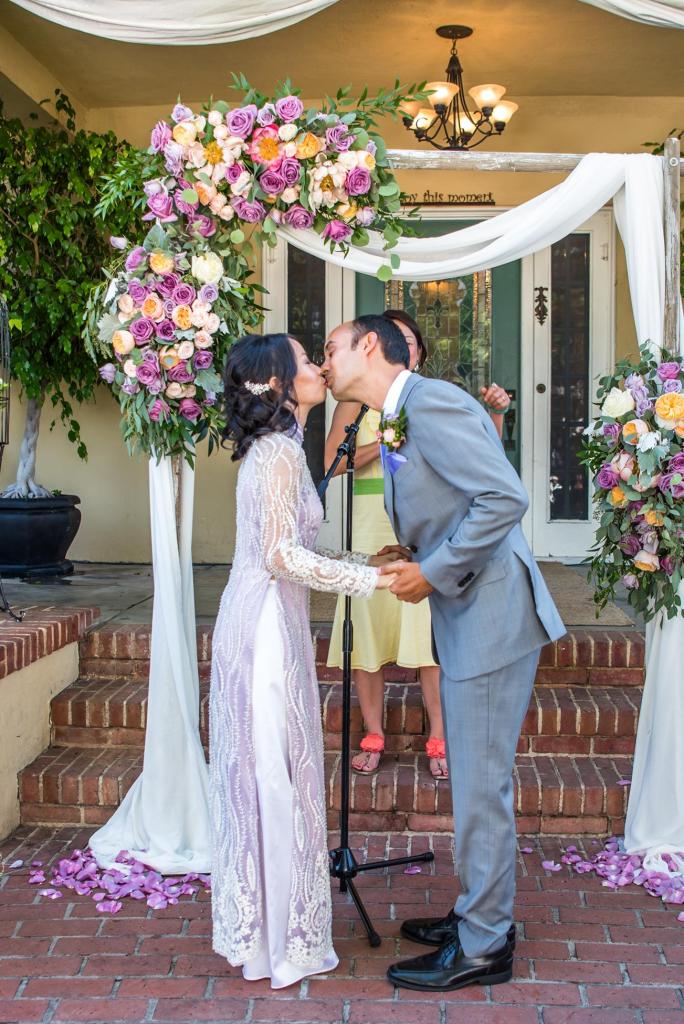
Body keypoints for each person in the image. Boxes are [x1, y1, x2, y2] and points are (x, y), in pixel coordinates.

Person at [321, 314, 565, 993]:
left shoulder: (430, 403)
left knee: (481, 788)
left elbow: (504, 498)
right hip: (471, 613)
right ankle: (475, 913)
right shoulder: (402, 411)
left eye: (331, 348)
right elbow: (459, 502)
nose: (325, 361)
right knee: (474, 784)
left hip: (491, 619)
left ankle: (485, 945)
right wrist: (413, 552)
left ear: (370, 346)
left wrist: (433, 571)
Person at [209, 332, 399, 990]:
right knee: (274, 775)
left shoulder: (280, 448)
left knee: (276, 772)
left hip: (270, 618)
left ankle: (272, 931)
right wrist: (369, 582)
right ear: (277, 383)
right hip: (263, 627)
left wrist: (362, 561)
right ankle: (279, 943)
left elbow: (290, 548)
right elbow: (280, 556)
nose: (319, 366)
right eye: (304, 360)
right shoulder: (280, 454)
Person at [325, 309, 511, 780]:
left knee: (426, 633)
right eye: (399, 339)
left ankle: (439, 736)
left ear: (419, 353)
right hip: (371, 521)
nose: (405, 347)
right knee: (367, 631)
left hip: (423, 530)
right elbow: (334, 462)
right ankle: (373, 733)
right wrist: (386, 442)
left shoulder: (430, 398)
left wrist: (496, 414)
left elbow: (487, 471)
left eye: (412, 342)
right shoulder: (356, 403)